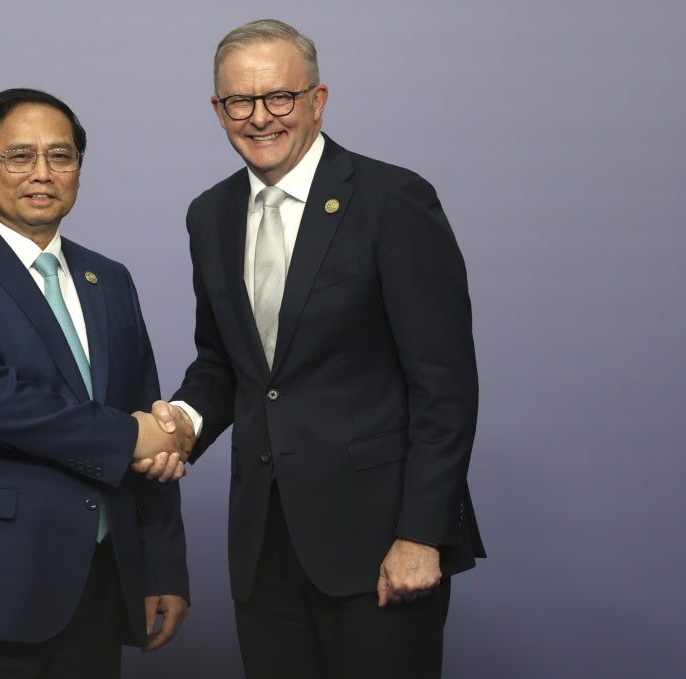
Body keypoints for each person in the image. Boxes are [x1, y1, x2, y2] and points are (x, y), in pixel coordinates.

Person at [153, 19, 485, 678]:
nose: (259, 117)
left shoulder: (394, 200)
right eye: (239, 102)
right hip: (264, 551)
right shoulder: (209, 215)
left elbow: (445, 387)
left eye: (279, 96)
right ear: (218, 110)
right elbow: (225, 362)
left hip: (381, 547)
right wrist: (180, 424)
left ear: (317, 99)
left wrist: (422, 534)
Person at [0, 88, 190, 679]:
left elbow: (147, 416)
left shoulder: (109, 278)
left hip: (97, 586)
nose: (42, 173)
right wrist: (131, 437)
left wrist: (161, 568)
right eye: (19, 156)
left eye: (61, 156)